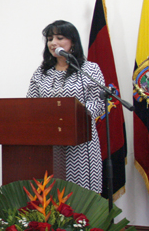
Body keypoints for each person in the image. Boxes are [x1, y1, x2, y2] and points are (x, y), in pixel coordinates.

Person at [27, 20, 106, 193]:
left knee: (80, 196)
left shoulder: (89, 69)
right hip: (49, 144)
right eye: (49, 39)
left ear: (73, 42)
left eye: (59, 38)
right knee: (52, 194)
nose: (52, 43)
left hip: (81, 144)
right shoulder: (41, 73)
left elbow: (99, 103)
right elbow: (30, 105)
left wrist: (75, 115)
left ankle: (82, 221)